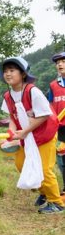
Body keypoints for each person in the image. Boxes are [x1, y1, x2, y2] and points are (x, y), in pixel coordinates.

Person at [0, 57, 64, 213]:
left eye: (12, 70)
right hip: (27, 136)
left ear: (23, 73)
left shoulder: (33, 91)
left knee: (44, 169)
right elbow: (13, 117)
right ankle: (44, 193)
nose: (7, 74)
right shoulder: (8, 96)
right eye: (5, 71)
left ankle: (56, 202)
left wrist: (24, 132)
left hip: (44, 135)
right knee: (21, 164)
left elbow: (44, 115)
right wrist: (12, 134)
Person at [47, 51, 65, 193]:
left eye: (63, 61)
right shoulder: (53, 85)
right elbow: (49, 105)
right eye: (58, 62)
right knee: (61, 159)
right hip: (59, 127)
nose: (60, 64)